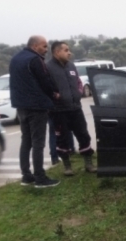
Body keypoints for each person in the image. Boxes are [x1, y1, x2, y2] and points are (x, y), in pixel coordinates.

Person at [9, 35, 60, 188]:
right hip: (36, 106)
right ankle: (40, 178)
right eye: (44, 46)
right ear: (35, 45)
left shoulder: (16, 58)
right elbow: (44, 81)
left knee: (26, 141)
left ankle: (26, 175)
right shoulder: (35, 60)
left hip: (21, 106)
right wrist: (54, 93)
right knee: (38, 142)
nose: (46, 50)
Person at [46, 41, 97, 176]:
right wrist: (54, 96)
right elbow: (43, 86)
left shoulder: (71, 66)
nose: (70, 53)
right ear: (57, 52)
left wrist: (78, 93)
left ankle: (88, 163)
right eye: (66, 50)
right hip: (58, 110)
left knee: (83, 135)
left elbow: (79, 82)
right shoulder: (47, 68)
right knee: (62, 139)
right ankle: (67, 166)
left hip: (75, 108)